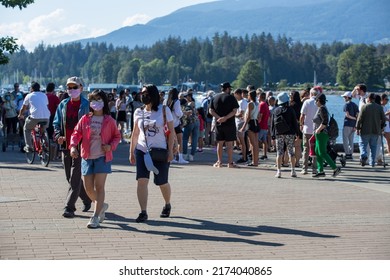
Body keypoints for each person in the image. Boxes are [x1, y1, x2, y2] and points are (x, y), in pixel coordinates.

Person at [69, 89, 121, 228]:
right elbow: (76, 133)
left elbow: (117, 136)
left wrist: (111, 146)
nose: (95, 103)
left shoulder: (109, 120)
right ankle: (101, 205)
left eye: (98, 100)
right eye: (93, 100)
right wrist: (73, 146)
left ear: (104, 102)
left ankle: (95, 216)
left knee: (99, 187)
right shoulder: (85, 118)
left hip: (102, 157)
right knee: (89, 189)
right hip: (87, 156)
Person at [129, 84, 175, 223]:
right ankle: (143, 211)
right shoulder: (138, 112)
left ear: (153, 95)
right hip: (142, 150)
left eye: (146, 93)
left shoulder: (164, 110)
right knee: (142, 181)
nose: (143, 96)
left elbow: (171, 132)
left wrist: (171, 151)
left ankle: (167, 204)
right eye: (142, 93)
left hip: (160, 151)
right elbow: (135, 133)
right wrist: (132, 151)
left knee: (162, 182)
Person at [53, 76, 92, 218]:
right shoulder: (63, 104)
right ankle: (87, 199)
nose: (72, 90)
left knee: (75, 177)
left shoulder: (87, 105)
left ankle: (69, 207)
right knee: (69, 177)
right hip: (65, 145)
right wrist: (58, 136)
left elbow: (92, 124)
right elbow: (56, 123)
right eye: (69, 87)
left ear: (81, 88)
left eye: (75, 87)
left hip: (81, 146)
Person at [209, 82, 239, 168]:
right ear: (227, 89)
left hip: (218, 123)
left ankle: (219, 161)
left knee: (220, 143)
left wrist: (219, 118)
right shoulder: (231, 98)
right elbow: (234, 111)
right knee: (229, 144)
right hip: (229, 123)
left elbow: (211, 110)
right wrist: (225, 118)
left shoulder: (214, 97)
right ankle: (230, 162)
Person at [312, 93, 341, 177]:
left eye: (316, 100)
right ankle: (320, 170)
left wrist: (318, 129)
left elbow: (325, 122)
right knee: (317, 152)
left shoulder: (322, 109)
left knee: (322, 152)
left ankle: (335, 168)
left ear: (318, 101)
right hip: (319, 133)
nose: (315, 102)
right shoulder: (322, 108)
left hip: (322, 133)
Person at [271, 92, 299, 178]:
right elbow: (295, 122)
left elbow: (273, 124)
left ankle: (278, 171)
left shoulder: (275, 110)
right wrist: (297, 133)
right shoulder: (291, 110)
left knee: (279, 152)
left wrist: (273, 135)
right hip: (290, 133)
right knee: (291, 151)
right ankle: (293, 170)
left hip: (279, 133)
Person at [18, 82, 50, 152]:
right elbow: (46, 106)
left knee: (26, 129)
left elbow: (23, 107)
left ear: (31, 89)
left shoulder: (29, 95)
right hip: (46, 117)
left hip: (34, 117)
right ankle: (45, 144)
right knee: (43, 130)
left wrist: (20, 115)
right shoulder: (44, 95)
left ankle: (29, 146)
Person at [356, 93, 386, 167]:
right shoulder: (379, 107)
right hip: (376, 130)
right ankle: (372, 162)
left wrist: (358, 128)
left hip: (365, 130)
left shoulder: (364, 107)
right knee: (373, 147)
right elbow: (384, 119)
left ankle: (364, 155)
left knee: (362, 144)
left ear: (369, 98)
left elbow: (359, 119)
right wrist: (381, 126)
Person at [165, 87, 188, 164]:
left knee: (170, 141)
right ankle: (180, 158)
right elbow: (178, 113)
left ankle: (172, 157)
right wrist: (183, 114)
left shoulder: (166, 101)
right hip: (176, 123)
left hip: (168, 123)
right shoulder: (177, 101)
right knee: (179, 141)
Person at [299, 87, 319, 175]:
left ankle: (305, 168)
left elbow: (302, 116)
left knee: (306, 149)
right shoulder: (319, 103)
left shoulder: (307, 102)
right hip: (316, 130)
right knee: (315, 149)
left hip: (307, 129)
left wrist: (301, 124)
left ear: (310, 94)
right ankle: (314, 169)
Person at [240, 90, 259, 166]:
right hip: (256, 122)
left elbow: (248, 116)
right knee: (255, 143)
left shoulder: (250, 104)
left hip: (251, 123)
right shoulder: (257, 104)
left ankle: (254, 162)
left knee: (252, 144)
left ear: (250, 96)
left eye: (248, 95)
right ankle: (256, 161)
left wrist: (243, 126)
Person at [182, 91, 199, 162]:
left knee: (185, 138)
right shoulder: (194, 103)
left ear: (188, 97)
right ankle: (192, 155)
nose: (185, 98)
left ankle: (185, 154)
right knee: (195, 139)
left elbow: (188, 113)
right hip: (196, 121)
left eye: (186, 97)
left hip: (189, 122)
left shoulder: (188, 104)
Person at [341, 91, 359, 159]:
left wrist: (353, 118)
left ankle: (347, 154)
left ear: (347, 97)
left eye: (344, 97)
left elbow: (347, 115)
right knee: (351, 140)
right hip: (353, 125)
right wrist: (356, 124)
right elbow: (358, 115)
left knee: (345, 140)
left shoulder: (346, 105)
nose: (344, 98)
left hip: (347, 124)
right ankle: (351, 154)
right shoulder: (355, 105)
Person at [234, 88, 248, 164]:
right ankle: (244, 155)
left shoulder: (242, 102)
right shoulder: (240, 101)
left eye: (235, 94)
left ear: (238, 94)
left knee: (242, 141)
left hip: (241, 122)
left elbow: (241, 113)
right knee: (241, 141)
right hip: (239, 122)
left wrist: (233, 115)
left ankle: (244, 157)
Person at [258, 91, 270, 160]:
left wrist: (257, 122)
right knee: (264, 141)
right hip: (265, 125)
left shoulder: (262, 104)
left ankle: (254, 154)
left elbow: (260, 115)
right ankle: (265, 154)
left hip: (261, 125)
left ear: (260, 97)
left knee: (256, 140)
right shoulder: (266, 104)